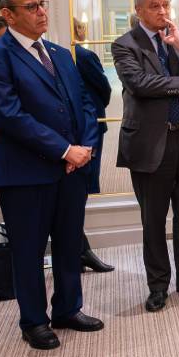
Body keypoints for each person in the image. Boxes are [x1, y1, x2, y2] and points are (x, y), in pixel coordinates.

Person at [0, 0, 103, 349]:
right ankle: (33, 320)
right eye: (31, 7)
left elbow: (85, 106)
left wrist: (84, 148)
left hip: (72, 169)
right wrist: (65, 150)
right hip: (25, 173)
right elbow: (10, 116)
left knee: (67, 243)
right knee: (29, 251)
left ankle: (68, 309)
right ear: (8, 15)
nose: (41, 11)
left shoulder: (61, 54)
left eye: (42, 4)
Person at [112, 0, 179, 313]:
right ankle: (158, 286)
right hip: (150, 143)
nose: (163, 12)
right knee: (154, 221)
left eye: (166, 4)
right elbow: (140, 84)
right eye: (155, 6)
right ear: (139, 9)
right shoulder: (125, 45)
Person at [72, 17, 115, 273]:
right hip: (81, 127)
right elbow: (104, 87)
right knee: (84, 184)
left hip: (90, 123)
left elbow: (104, 89)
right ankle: (80, 249)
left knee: (86, 182)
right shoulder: (80, 55)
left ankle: (81, 249)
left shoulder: (79, 55)